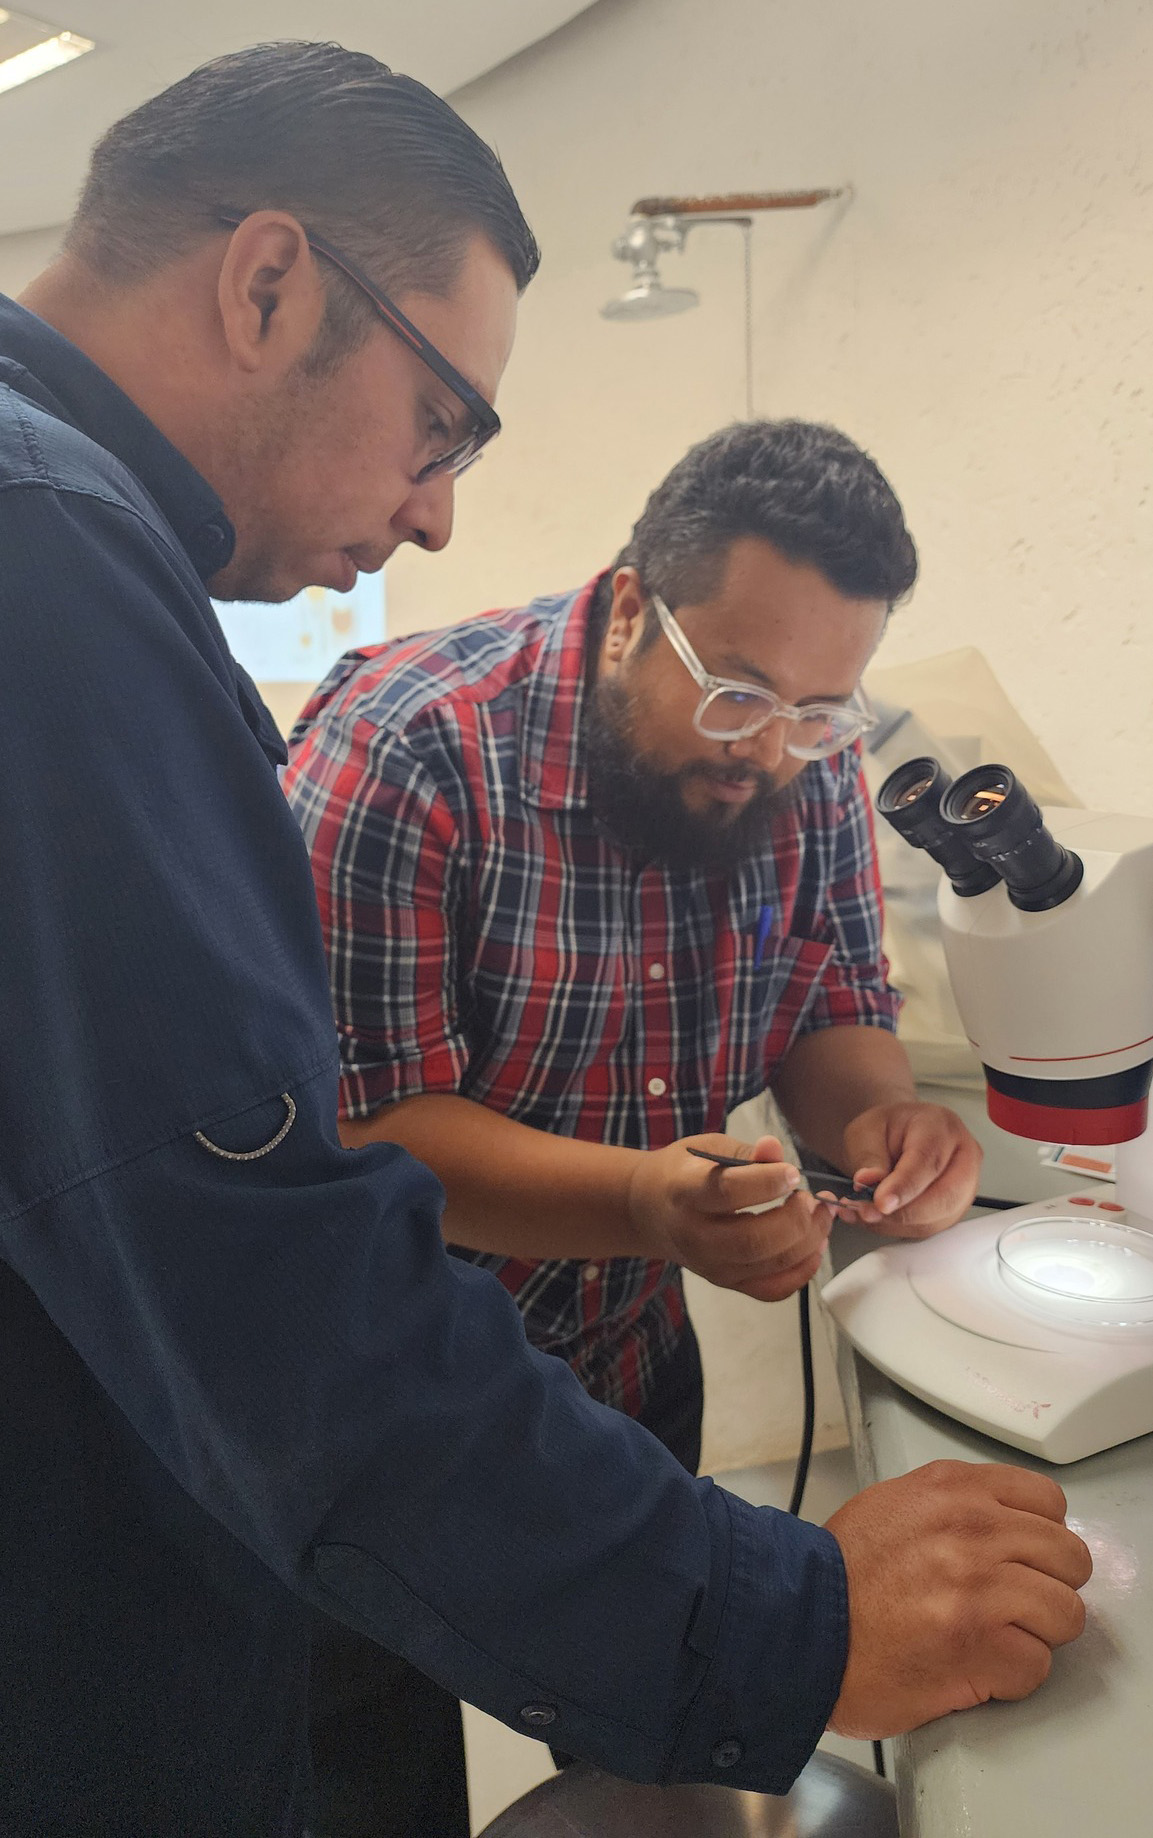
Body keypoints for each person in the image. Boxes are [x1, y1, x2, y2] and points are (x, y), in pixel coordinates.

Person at [0, 38, 1091, 1838]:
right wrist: (773, 1617)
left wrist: (865, 1118)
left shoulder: (82, 546)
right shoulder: (87, 580)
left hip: (535, 1412)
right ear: (269, 283)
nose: (433, 510)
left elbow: (833, 986)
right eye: (441, 425)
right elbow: (269, 1248)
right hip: (320, 1468)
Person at [286, 418, 980, 1471]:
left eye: (816, 712)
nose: (763, 746)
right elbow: (367, 1124)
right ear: (625, 615)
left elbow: (829, 999)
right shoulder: (406, 747)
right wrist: (641, 1203)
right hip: (397, 1380)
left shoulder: (807, 751)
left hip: (633, 1354)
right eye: (735, 691)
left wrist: (881, 1122)